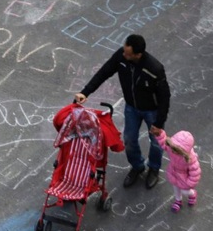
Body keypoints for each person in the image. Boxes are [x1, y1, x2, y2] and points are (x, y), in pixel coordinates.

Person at [75, 34, 171, 190]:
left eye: (128, 53)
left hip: (151, 111)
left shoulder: (154, 69)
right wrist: (85, 92)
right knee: (129, 139)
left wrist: (159, 123)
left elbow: (165, 97)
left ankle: (153, 168)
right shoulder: (121, 56)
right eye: (124, 51)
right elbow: (104, 72)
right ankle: (137, 166)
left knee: (155, 142)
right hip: (132, 107)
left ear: (138, 55)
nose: (124, 55)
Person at [151, 127, 201, 212]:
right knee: (176, 188)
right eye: (173, 148)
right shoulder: (172, 148)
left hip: (184, 177)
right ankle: (178, 201)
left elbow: (195, 173)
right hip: (174, 172)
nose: (173, 151)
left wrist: (189, 183)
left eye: (176, 150)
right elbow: (163, 143)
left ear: (184, 151)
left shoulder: (190, 159)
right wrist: (159, 134)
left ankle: (192, 194)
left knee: (185, 191)